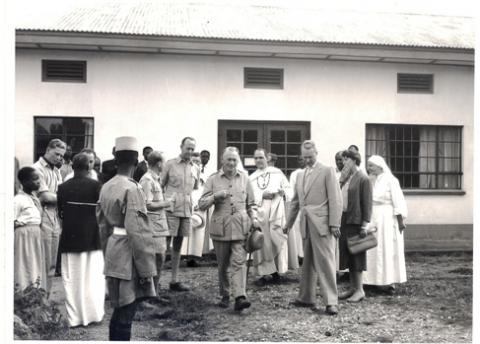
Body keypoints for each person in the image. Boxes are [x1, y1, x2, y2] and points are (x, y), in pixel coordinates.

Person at [96, 136, 157, 341]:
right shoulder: (133, 188)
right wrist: (147, 269)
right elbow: (138, 232)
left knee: (119, 308)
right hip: (129, 253)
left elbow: (102, 225)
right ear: (136, 160)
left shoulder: (106, 186)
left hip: (113, 248)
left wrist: (107, 253)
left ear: (116, 160)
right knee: (126, 311)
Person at [284, 140, 342, 316]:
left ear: (316, 153)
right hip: (306, 224)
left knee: (325, 262)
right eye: (305, 157)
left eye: (310, 157)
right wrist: (288, 223)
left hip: (323, 224)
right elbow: (295, 202)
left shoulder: (327, 171)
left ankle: (331, 302)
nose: (308, 160)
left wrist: (335, 223)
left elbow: (335, 199)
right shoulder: (300, 175)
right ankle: (306, 297)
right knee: (307, 262)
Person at [198, 147, 259, 311]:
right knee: (223, 265)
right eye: (228, 159)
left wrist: (254, 218)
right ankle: (225, 294)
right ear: (222, 161)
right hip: (221, 227)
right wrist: (215, 196)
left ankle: (240, 296)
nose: (232, 163)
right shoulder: (213, 179)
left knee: (239, 262)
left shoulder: (244, 178)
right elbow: (201, 204)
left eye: (234, 160)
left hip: (241, 226)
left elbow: (251, 204)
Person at [57, 153, 105, 327]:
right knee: (92, 277)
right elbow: (102, 212)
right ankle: (94, 315)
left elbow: (60, 213)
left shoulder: (62, 188)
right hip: (92, 237)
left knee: (72, 279)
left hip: (70, 237)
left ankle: (75, 318)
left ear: (72, 167)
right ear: (89, 167)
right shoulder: (96, 186)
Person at [363, 155, 408, 292]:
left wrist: (400, 221)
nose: (369, 168)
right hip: (373, 216)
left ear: (379, 166)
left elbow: (398, 202)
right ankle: (370, 280)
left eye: (371, 165)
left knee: (386, 248)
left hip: (387, 219)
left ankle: (388, 282)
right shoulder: (370, 180)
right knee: (371, 248)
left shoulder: (391, 180)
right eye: (368, 165)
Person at [161, 137, 200, 292]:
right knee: (164, 244)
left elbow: (194, 188)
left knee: (178, 245)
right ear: (181, 147)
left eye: (192, 149)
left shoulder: (195, 167)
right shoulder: (170, 164)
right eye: (187, 148)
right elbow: (161, 184)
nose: (190, 152)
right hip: (171, 209)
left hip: (186, 209)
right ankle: (155, 282)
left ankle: (174, 281)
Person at [249, 149, 291, 285]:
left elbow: (288, 189)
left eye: (261, 157)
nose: (259, 160)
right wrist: (262, 196)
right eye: (256, 158)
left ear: (267, 158)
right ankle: (264, 274)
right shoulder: (252, 177)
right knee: (262, 242)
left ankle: (277, 272)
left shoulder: (277, 173)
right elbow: (248, 198)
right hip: (259, 213)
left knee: (275, 239)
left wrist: (282, 192)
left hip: (275, 212)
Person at [338, 150, 372, 302]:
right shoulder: (346, 177)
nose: (343, 163)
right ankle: (352, 288)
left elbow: (367, 203)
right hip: (345, 219)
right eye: (343, 160)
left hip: (356, 221)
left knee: (357, 255)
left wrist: (365, 225)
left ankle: (360, 290)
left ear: (354, 160)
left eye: (346, 160)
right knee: (348, 254)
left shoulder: (363, 178)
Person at [33, 138, 66, 293]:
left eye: (62, 155)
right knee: (43, 262)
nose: (59, 158)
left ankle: (45, 300)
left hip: (54, 217)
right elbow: (46, 197)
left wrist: (61, 196)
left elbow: (58, 194)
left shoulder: (56, 170)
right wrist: (65, 197)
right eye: (57, 154)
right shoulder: (37, 169)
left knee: (52, 263)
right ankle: (37, 299)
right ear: (47, 150)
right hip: (42, 216)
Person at [139, 150, 172, 295]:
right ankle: (150, 294)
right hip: (152, 226)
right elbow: (146, 204)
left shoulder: (155, 179)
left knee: (159, 258)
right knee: (156, 259)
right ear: (159, 164)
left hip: (158, 226)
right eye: (163, 162)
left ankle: (154, 292)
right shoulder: (147, 180)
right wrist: (167, 203)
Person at [14, 167, 48, 291]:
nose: (38, 181)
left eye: (39, 178)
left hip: (35, 236)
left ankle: (35, 295)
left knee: (35, 265)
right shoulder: (18, 200)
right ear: (24, 182)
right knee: (25, 266)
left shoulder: (34, 199)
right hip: (24, 237)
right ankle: (24, 295)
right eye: (34, 179)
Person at [180, 152, 208, 267]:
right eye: (194, 161)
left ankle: (194, 257)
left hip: (200, 206)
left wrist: (203, 202)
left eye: (198, 162)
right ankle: (185, 256)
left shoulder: (204, 176)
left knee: (198, 233)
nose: (196, 164)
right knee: (187, 232)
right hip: (188, 205)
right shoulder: (186, 175)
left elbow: (207, 191)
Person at [287, 155, 305, 267]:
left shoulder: (311, 172)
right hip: (299, 204)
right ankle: (300, 255)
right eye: (300, 159)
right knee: (298, 230)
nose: (302, 161)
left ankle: (307, 255)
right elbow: (292, 189)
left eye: (304, 159)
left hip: (309, 205)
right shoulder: (295, 174)